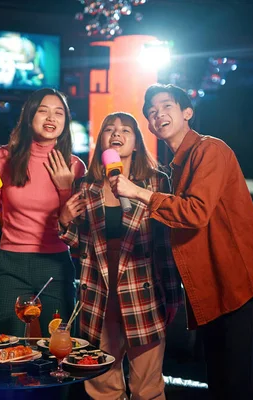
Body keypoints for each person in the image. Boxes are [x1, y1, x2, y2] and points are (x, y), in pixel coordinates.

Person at [110, 84, 253, 400]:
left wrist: (137, 192)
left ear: (187, 112)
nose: (158, 114)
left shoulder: (210, 150)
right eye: (151, 111)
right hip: (213, 287)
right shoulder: (178, 165)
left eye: (166, 106)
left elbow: (195, 212)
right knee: (220, 386)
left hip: (238, 285)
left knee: (239, 389)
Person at [59, 112, 182, 400]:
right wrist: (64, 221)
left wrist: (173, 296)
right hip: (99, 297)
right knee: (102, 386)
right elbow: (80, 246)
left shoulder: (156, 183)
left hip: (144, 295)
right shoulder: (86, 186)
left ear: (137, 142)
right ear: (101, 141)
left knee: (147, 388)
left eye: (126, 130)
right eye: (109, 130)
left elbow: (166, 244)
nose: (117, 134)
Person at [0, 88, 86, 336]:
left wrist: (64, 189)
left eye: (58, 113)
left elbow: (79, 230)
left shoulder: (75, 166)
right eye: (43, 111)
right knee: (7, 345)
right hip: (11, 263)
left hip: (56, 264)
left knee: (58, 347)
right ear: (29, 116)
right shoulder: (3, 158)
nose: (51, 118)